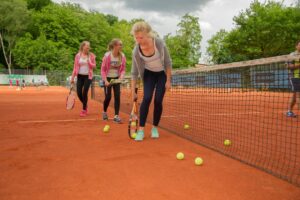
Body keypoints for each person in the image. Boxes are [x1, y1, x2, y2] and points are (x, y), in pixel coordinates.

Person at [130, 21, 172, 141]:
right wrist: (133, 91)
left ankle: (154, 128)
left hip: (162, 74)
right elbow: (134, 72)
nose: (138, 40)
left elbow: (168, 63)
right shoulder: (136, 51)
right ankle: (141, 130)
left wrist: (168, 80)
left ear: (148, 34)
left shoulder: (158, 43)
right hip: (149, 74)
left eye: (141, 37)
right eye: (136, 37)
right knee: (147, 98)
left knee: (158, 100)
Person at [101, 39, 126, 123]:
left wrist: (121, 77)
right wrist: (105, 81)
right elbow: (103, 70)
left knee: (117, 96)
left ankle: (116, 116)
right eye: (120, 44)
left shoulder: (122, 56)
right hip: (107, 78)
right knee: (108, 97)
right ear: (115, 46)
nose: (121, 46)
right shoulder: (107, 56)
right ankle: (104, 112)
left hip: (116, 79)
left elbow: (123, 70)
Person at [71, 41, 96, 117]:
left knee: (85, 92)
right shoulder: (78, 56)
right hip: (80, 76)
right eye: (87, 46)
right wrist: (72, 77)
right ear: (83, 47)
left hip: (88, 77)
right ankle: (85, 104)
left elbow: (94, 66)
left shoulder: (91, 55)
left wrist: (89, 63)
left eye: (89, 46)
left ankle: (84, 109)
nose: (88, 47)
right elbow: (75, 67)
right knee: (79, 93)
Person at [286, 40, 300, 117]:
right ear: (296, 46)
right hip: (295, 77)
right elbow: (288, 66)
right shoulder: (292, 55)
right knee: (298, 95)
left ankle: (289, 111)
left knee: (295, 96)